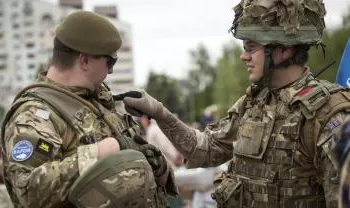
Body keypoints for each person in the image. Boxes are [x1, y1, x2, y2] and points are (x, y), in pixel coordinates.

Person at [121, 0, 350, 207]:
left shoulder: (328, 114)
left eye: (251, 47)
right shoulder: (254, 102)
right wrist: (160, 114)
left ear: (283, 49)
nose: (244, 56)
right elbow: (207, 149)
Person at [0, 11, 177, 208]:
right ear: (84, 60)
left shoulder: (97, 101)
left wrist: (159, 169)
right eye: (110, 61)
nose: (111, 71)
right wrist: (102, 151)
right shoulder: (34, 114)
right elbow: (29, 191)